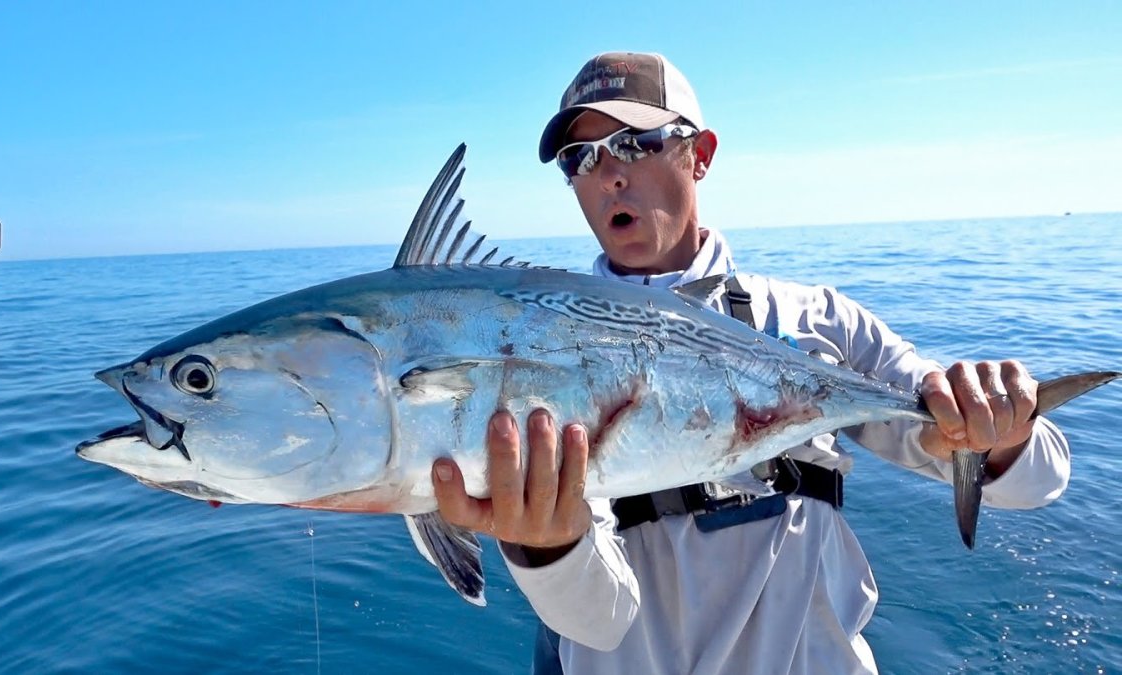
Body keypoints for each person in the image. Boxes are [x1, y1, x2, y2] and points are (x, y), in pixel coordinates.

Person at [429, 51, 1070, 674]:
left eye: (634, 143)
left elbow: (1036, 480)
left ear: (700, 155)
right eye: (581, 158)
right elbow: (600, 622)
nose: (608, 176)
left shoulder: (815, 318)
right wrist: (549, 544)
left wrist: (997, 429)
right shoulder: (536, 353)